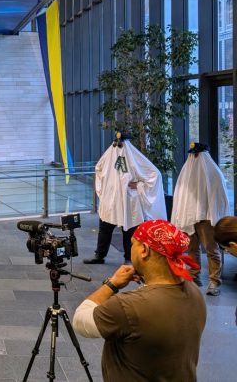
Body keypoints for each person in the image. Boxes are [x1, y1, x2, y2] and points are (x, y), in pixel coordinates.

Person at [72, 219, 206, 381]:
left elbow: (80, 320)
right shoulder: (195, 292)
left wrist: (111, 284)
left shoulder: (127, 306)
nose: (131, 248)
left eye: (133, 243)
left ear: (144, 250)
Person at [84, 134, 165, 265]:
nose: (118, 146)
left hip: (128, 200)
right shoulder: (109, 155)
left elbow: (154, 174)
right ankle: (99, 255)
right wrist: (105, 187)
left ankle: (129, 257)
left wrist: (139, 185)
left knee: (129, 231)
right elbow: (98, 168)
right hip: (111, 199)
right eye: (116, 143)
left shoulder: (135, 158)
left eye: (121, 144)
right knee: (105, 228)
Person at [171, 143, 230, 296]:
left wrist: (215, 217)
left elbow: (219, 196)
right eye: (193, 154)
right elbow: (181, 196)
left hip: (206, 218)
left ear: (203, 155)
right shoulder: (187, 172)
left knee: (212, 249)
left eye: (197, 154)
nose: (194, 157)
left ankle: (214, 281)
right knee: (192, 249)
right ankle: (194, 275)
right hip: (190, 217)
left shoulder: (213, 173)